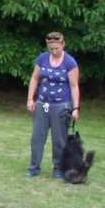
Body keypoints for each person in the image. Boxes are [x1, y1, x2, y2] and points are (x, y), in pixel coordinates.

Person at [25, 32, 80, 178]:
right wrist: (30, 99)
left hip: (62, 106)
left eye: (56, 48)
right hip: (42, 104)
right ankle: (33, 168)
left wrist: (75, 108)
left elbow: (74, 86)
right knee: (37, 138)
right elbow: (34, 78)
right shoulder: (42, 59)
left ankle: (58, 169)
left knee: (59, 140)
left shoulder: (70, 63)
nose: (54, 51)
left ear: (63, 45)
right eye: (51, 49)